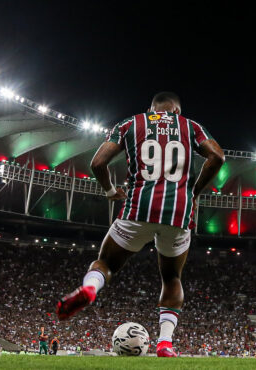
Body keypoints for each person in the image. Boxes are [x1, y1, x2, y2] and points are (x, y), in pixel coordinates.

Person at [56, 92, 225, 358]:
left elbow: (98, 163)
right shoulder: (190, 126)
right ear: (177, 111)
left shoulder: (130, 124)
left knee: (106, 263)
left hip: (137, 209)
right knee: (171, 277)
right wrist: (194, 191)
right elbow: (217, 157)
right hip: (178, 214)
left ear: (151, 109)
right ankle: (165, 344)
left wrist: (111, 191)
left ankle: (90, 288)